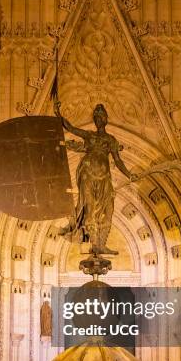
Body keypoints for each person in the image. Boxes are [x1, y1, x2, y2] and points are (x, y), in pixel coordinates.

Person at [55, 102, 137, 255]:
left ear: (106, 119)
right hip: (88, 175)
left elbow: (118, 161)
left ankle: (101, 244)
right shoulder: (89, 135)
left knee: (109, 210)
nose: (98, 119)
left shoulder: (111, 140)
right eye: (96, 117)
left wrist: (129, 174)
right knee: (90, 209)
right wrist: (59, 114)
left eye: (101, 117)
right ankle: (95, 244)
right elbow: (71, 128)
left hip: (104, 178)